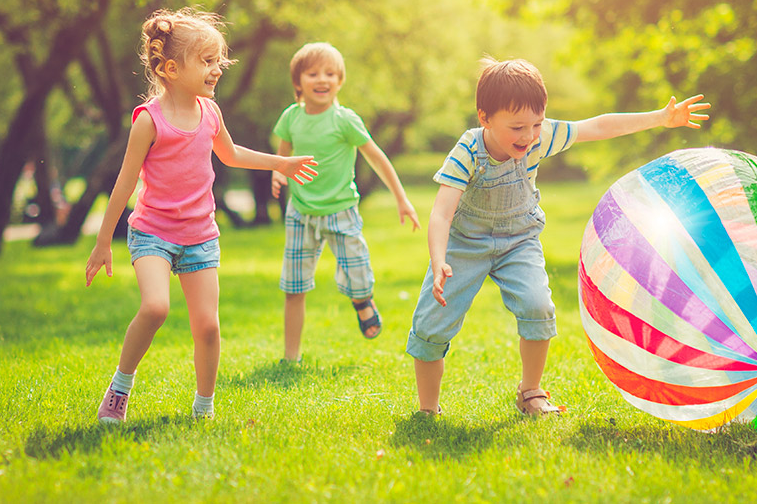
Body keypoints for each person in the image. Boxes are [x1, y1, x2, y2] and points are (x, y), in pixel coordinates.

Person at [406, 58, 711, 416]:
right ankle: (428, 410)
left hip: (518, 240)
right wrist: (440, 259)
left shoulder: (541, 136)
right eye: (517, 127)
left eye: (536, 124)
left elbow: (597, 127)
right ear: (484, 117)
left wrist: (659, 117)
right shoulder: (468, 152)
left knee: (539, 308)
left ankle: (530, 392)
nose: (529, 136)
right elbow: (442, 212)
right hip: (463, 245)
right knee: (432, 324)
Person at [85, 8, 318, 424]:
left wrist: (279, 164)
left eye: (219, 62)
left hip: (199, 236)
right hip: (153, 232)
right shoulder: (149, 122)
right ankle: (121, 386)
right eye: (207, 62)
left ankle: (204, 407)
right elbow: (124, 183)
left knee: (208, 327)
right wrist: (103, 241)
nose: (217, 70)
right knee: (156, 307)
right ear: (172, 69)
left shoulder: (210, 113)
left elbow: (230, 154)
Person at [271, 42, 420, 362]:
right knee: (293, 287)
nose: (322, 79)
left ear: (340, 81)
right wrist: (278, 174)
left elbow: (377, 159)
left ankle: (362, 300)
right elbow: (282, 153)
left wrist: (401, 198)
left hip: (341, 212)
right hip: (301, 213)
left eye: (330, 73)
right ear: (299, 82)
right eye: (313, 73)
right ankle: (290, 357)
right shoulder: (291, 118)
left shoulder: (345, 120)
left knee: (358, 276)